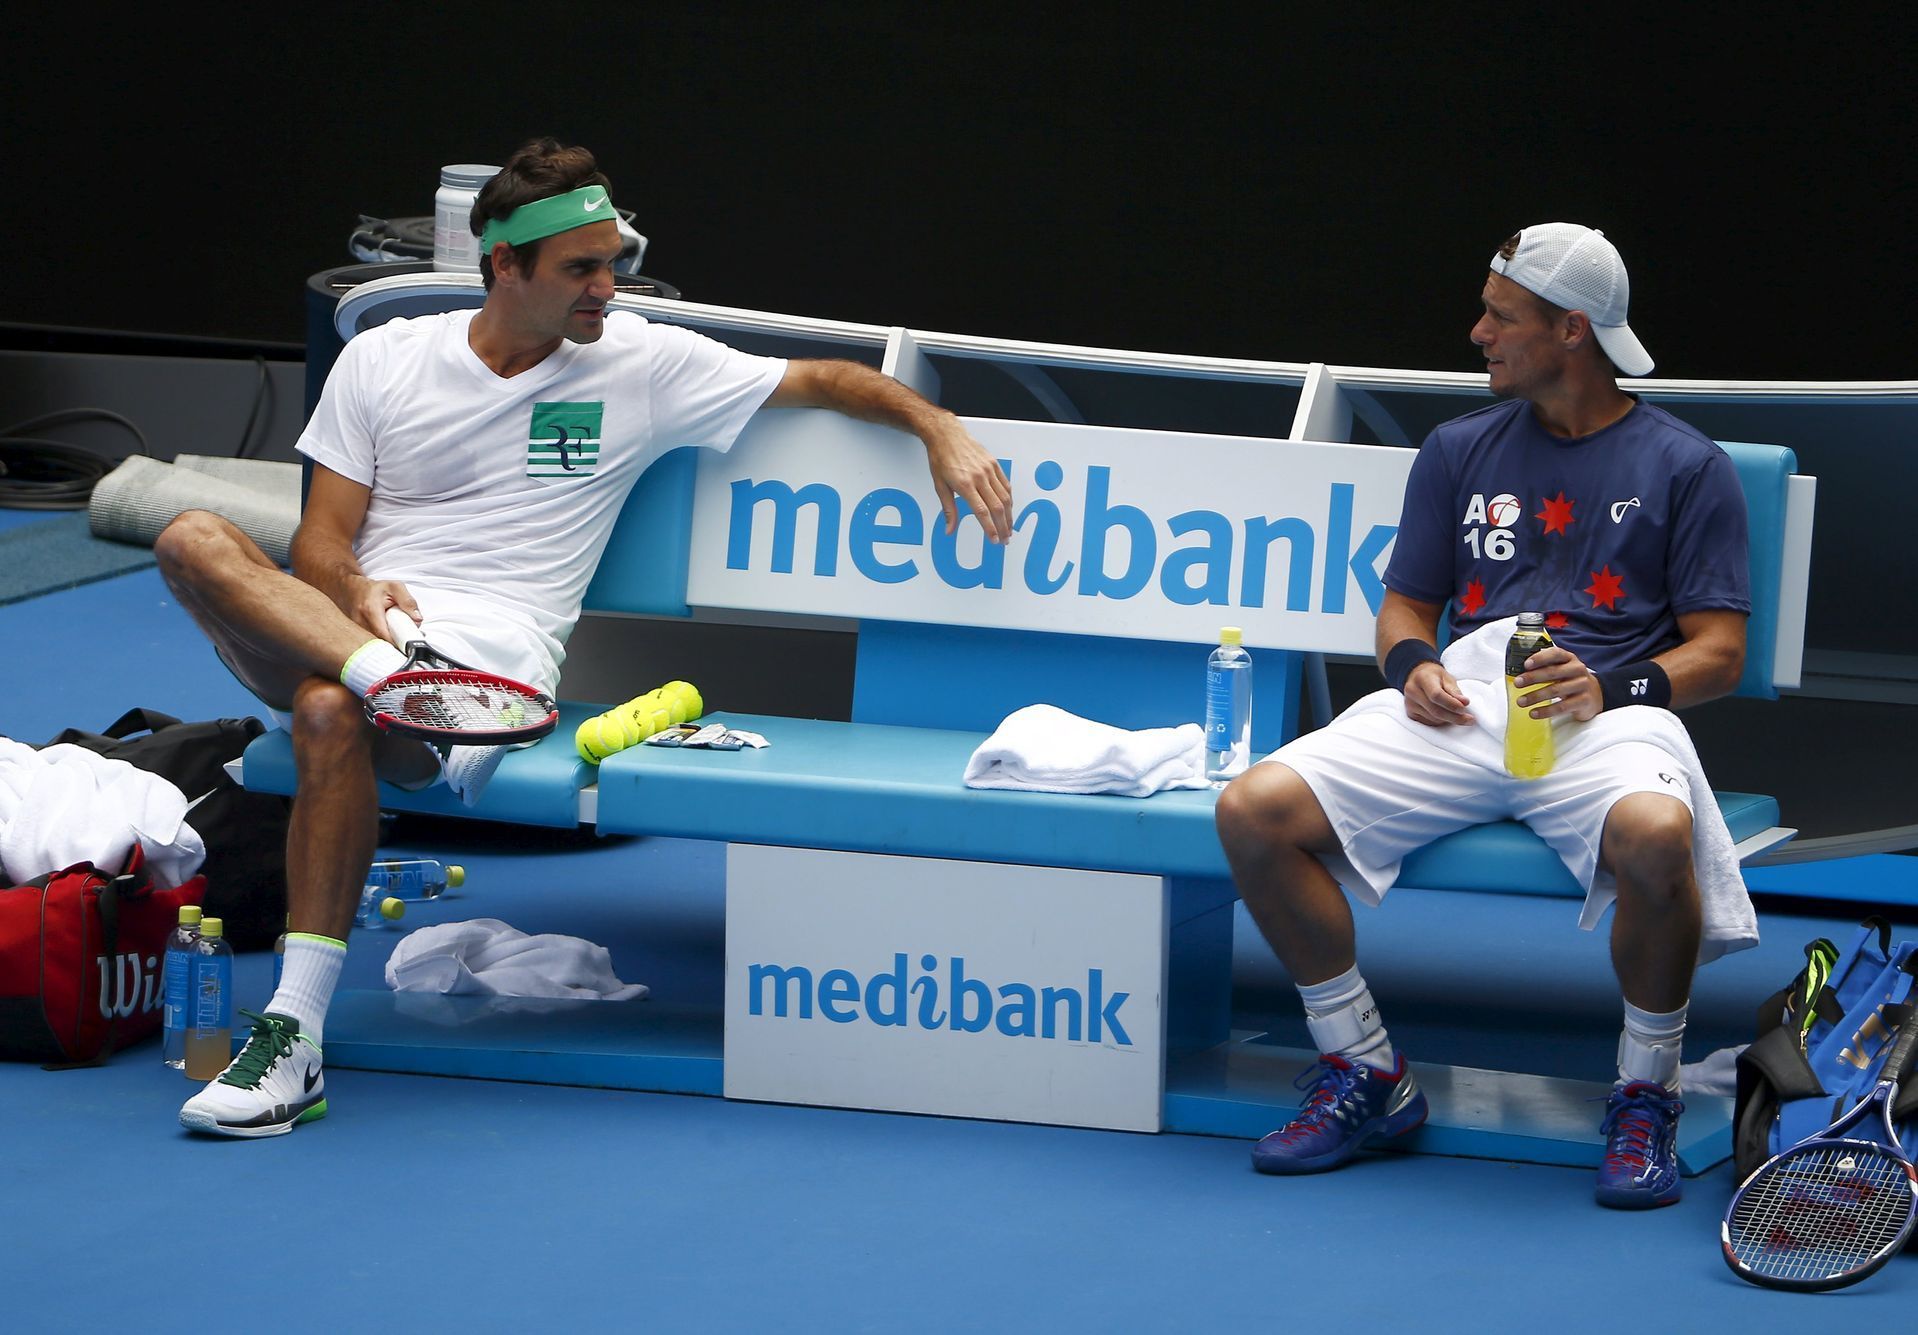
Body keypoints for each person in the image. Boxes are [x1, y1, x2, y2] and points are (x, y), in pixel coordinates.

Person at [156, 139, 1012, 1138]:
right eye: (581, 269)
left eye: (613, 263)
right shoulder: (384, 358)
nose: (609, 287)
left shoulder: (642, 361)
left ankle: (292, 1036)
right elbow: (320, 544)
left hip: (493, 663)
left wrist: (938, 429)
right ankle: (398, 678)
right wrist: (356, 590)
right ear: (504, 268)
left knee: (320, 711)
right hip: (356, 632)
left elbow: (824, 379)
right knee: (189, 538)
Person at [1215, 223, 1751, 1208]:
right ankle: (1365, 1070)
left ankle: (1646, 1094)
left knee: (1655, 833)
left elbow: (1717, 652)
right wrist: (1413, 664)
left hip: (1609, 708)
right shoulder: (1456, 449)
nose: (1477, 333)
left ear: (1572, 332)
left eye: (1500, 317)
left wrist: (1609, 686)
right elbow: (1404, 608)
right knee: (1252, 811)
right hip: (1461, 707)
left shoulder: (1686, 466)